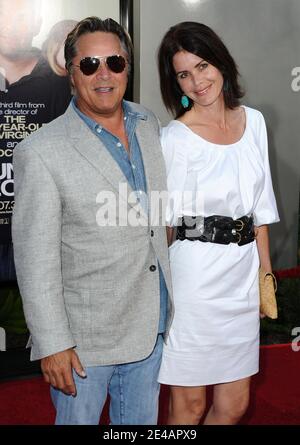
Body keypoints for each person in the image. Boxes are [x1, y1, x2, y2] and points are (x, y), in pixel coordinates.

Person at [12, 17, 173, 425]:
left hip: (149, 327)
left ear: (128, 68)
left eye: (115, 63)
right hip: (84, 345)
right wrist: (52, 344)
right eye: (89, 64)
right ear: (70, 71)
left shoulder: (148, 124)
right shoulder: (42, 151)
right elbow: (36, 260)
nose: (104, 75)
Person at [157, 21, 279, 425]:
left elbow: (260, 211)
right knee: (188, 407)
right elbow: (164, 224)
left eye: (203, 65)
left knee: (234, 405)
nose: (197, 81)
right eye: (184, 74)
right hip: (195, 284)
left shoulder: (254, 122)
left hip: (242, 279)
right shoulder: (176, 137)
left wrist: (265, 278)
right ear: (176, 83)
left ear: (222, 63)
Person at [0, 0, 71, 281]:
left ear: (37, 23)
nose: (8, 24)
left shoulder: (63, 83)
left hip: (42, 241)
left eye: (20, 17)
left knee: (41, 326)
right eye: (3, 15)